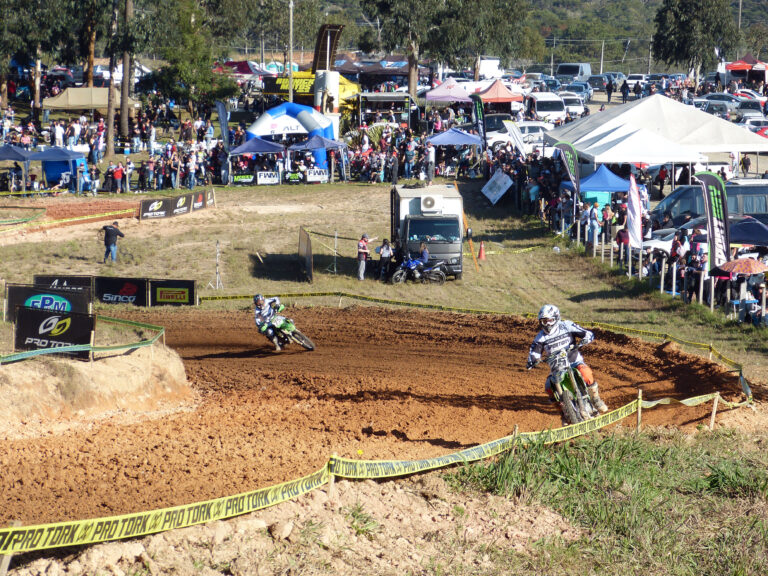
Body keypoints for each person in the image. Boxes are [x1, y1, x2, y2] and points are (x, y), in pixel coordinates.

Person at [526, 304, 608, 415]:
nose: (547, 324)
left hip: (574, 362)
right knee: (548, 387)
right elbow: (534, 352)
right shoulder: (540, 337)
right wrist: (533, 360)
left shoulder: (566, 326)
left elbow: (586, 333)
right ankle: (563, 412)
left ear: (556, 318)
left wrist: (586, 338)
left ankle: (596, 398)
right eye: (544, 321)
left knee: (586, 373)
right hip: (557, 368)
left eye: (549, 320)